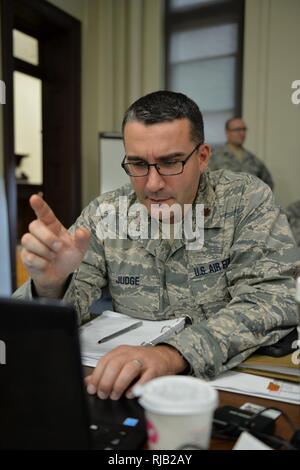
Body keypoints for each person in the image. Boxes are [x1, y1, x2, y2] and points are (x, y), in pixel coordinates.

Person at [14, 91, 298, 401]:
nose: (152, 184)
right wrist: (50, 288)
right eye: (137, 164)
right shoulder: (107, 213)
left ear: (202, 157)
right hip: (128, 388)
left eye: (170, 162)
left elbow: (271, 301)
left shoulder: (245, 201)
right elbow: (29, 329)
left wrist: (171, 355)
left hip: (223, 389)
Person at [209, 117, 274, 189]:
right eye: (237, 129)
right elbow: (206, 182)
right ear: (227, 132)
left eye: (244, 129)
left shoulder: (253, 160)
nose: (242, 133)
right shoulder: (214, 156)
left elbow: (268, 183)